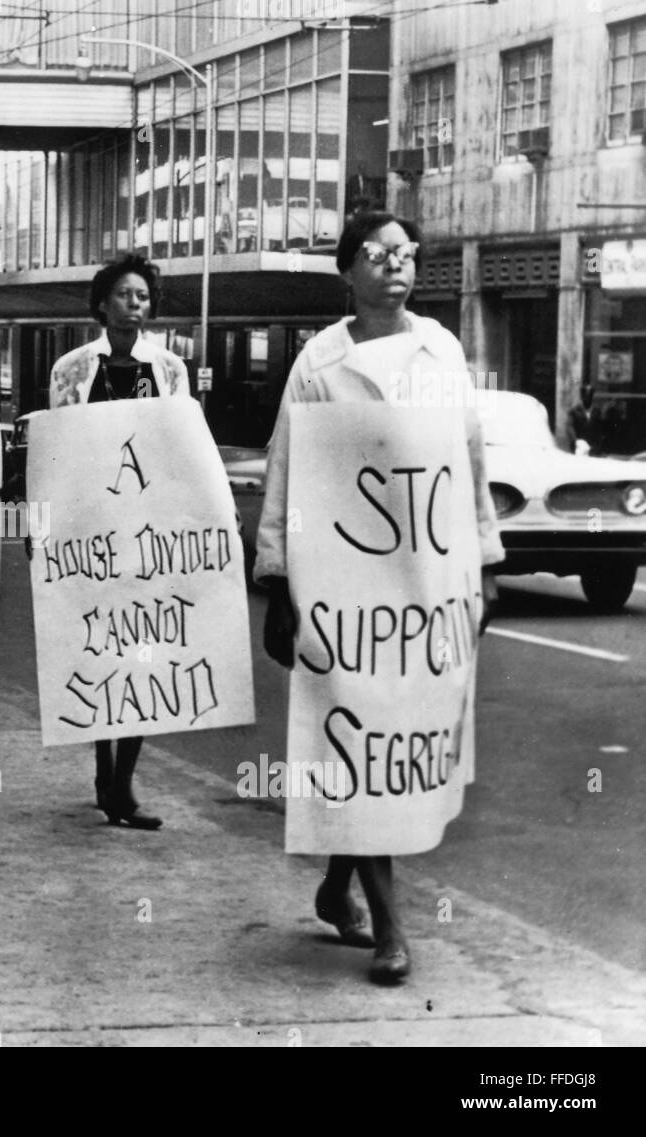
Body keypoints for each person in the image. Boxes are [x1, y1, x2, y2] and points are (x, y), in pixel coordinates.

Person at [254, 211, 504, 984]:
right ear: (347, 270)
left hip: (421, 596)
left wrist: (486, 563)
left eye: (406, 255)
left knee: (388, 752)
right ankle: (394, 928)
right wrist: (277, 581)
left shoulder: (442, 351)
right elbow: (286, 470)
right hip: (342, 596)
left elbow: (467, 461)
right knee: (355, 740)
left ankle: (338, 884)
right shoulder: (318, 364)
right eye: (378, 254)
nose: (396, 265)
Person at [46, 254, 191, 830]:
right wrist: (46, 526)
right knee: (98, 652)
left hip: (150, 534)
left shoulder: (171, 369)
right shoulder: (72, 369)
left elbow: (185, 448)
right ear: (102, 303)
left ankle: (123, 783)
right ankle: (104, 768)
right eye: (126, 295)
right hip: (90, 532)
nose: (137, 304)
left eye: (144, 296)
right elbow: (55, 451)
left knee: (145, 656)